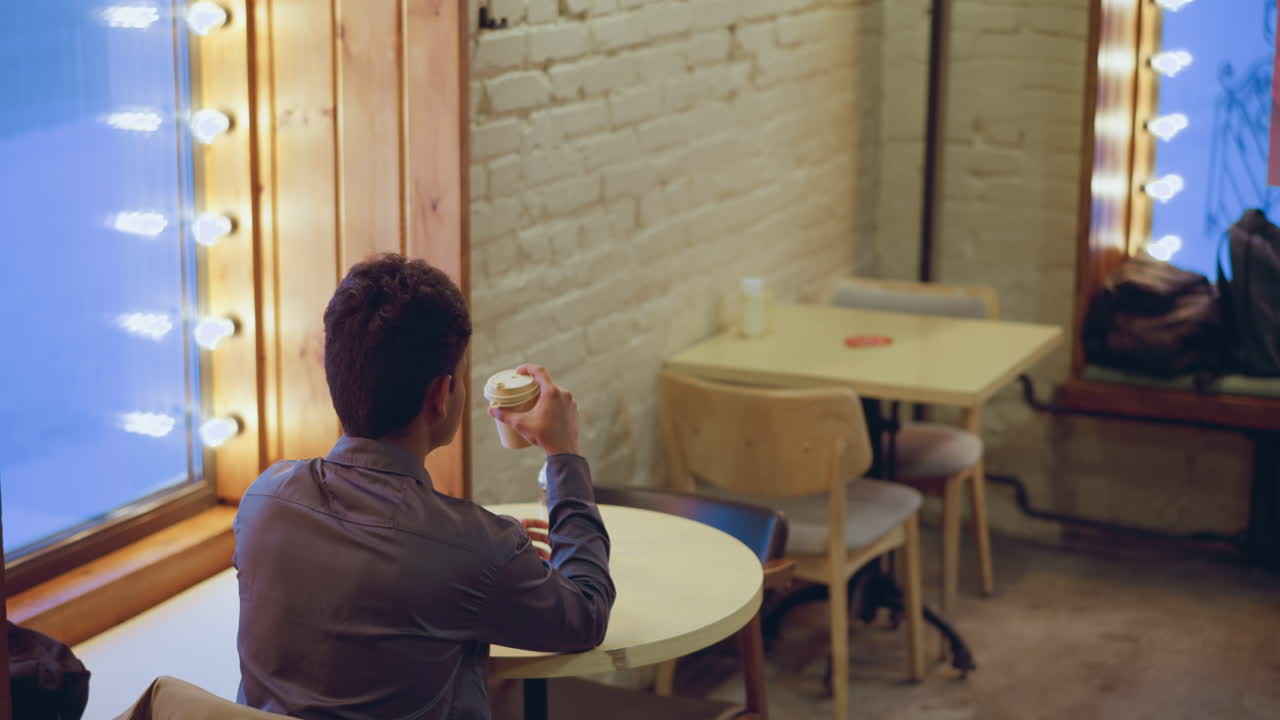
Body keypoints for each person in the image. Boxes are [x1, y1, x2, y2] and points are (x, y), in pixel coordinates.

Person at [233, 254, 615, 719]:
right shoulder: (471, 548)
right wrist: (564, 454)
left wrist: (470, 551)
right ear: (440, 395)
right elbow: (586, 616)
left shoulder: (265, 501)